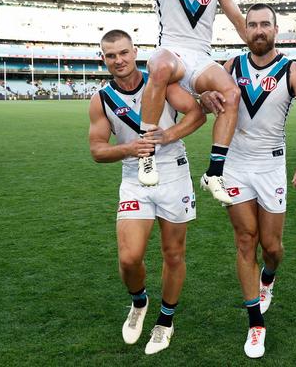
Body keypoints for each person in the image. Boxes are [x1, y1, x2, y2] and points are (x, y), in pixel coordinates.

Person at [201, 4, 296, 357]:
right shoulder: (231, 67)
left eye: (264, 24)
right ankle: (256, 325)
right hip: (235, 165)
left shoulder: (292, 70)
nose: (258, 30)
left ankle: (268, 278)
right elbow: (203, 99)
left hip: (271, 167)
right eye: (252, 24)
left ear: (275, 30)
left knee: (271, 247)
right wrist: (204, 96)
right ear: (245, 30)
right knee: (245, 240)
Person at [120, 0, 244, 203]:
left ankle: (214, 173)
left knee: (231, 94)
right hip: (171, 52)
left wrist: (267, 48)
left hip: (201, 57)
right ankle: (146, 149)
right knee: (159, 65)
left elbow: (240, 23)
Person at [88, 30, 206, 354]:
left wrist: (168, 136)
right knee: (129, 258)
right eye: (111, 55)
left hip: (173, 172)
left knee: (173, 253)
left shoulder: (162, 83)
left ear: (135, 51)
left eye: (124, 52)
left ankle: (165, 321)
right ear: (103, 58)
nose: (119, 60)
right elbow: (97, 150)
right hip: (134, 175)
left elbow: (198, 114)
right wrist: (129, 148)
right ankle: (139, 302)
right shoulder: (101, 99)